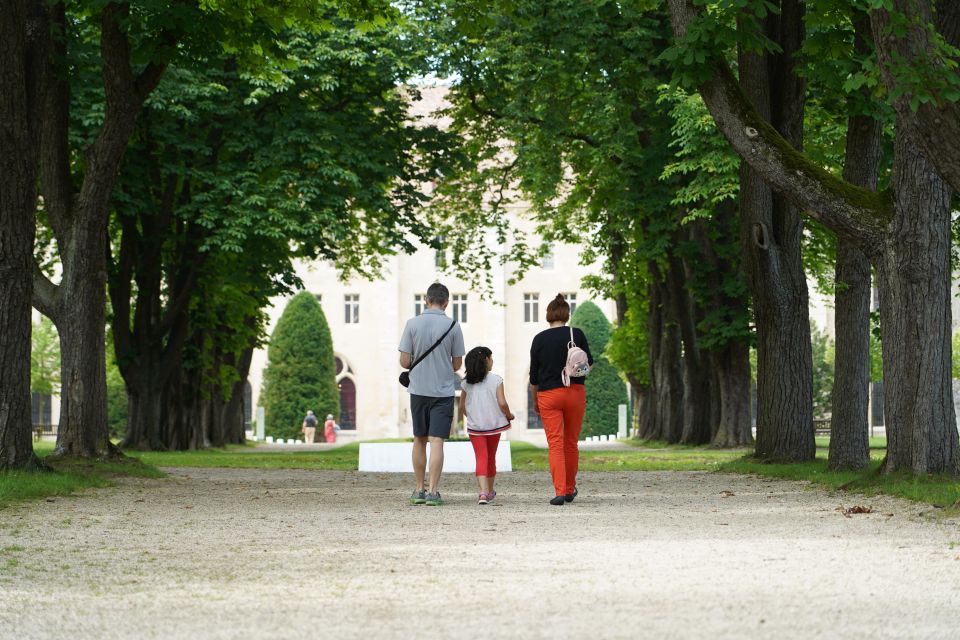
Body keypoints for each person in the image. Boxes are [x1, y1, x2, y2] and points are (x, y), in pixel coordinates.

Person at [398, 282, 465, 506]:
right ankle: (433, 492)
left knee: (419, 439)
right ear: (446, 302)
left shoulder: (412, 324)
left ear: (426, 300)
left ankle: (419, 489)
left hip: (418, 390)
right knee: (437, 441)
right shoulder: (453, 326)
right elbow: (457, 364)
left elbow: (404, 361)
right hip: (443, 391)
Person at [529, 294, 593, 505]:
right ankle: (569, 489)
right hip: (574, 392)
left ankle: (559, 491)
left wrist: (535, 400)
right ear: (567, 314)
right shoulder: (577, 334)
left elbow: (534, 376)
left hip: (549, 395)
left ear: (548, 315)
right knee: (571, 443)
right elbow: (588, 365)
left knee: (555, 444)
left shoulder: (539, 339)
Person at [459, 346, 514, 505]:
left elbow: (462, 406)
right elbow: (502, 403)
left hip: (475, 428)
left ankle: (483, 492)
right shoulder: (496, 380)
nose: (493, 361)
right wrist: (509, 415)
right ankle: (489, 491)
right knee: (491, 457)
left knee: (481, 457)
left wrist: (472, 416)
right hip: (494, 426)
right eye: (491, 358)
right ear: (486, 361)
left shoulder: (466, 383)